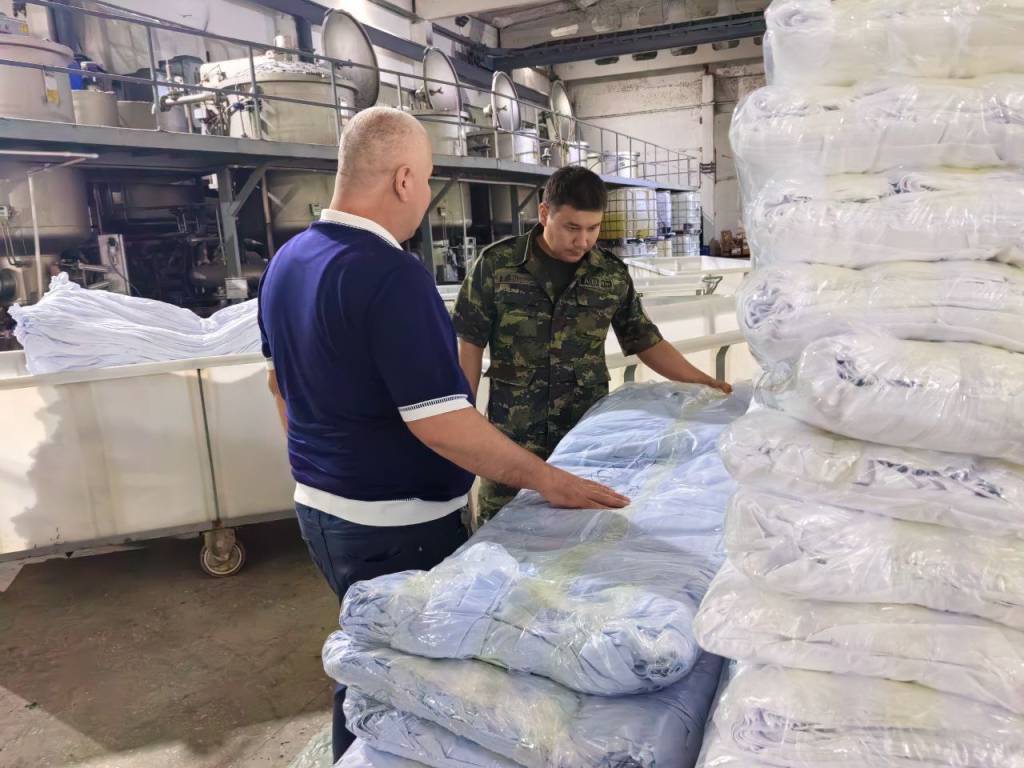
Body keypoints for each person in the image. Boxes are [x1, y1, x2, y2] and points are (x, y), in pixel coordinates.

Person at [256, 107, 629, 762]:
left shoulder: (288, 260)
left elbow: (279, 387)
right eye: (427, 180)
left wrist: (330, 463)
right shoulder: (392, 276)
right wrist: (548, 480)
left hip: (320, 512)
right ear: (404, 179)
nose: (426, 196)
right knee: (415, 684)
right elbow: (443, 424)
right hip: (397, 528)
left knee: (370, 658)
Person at [453, 166, 732, 522]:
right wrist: (462, 420)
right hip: (512, 442)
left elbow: (645, 340)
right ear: (544, 213)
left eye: (593, 228)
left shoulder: (610, 274)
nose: (583, 241)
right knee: (500, 526)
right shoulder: (497, 266)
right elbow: (470, 345)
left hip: (585, 441)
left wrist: (704, 380)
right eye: (572, 227)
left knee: (586, 528)